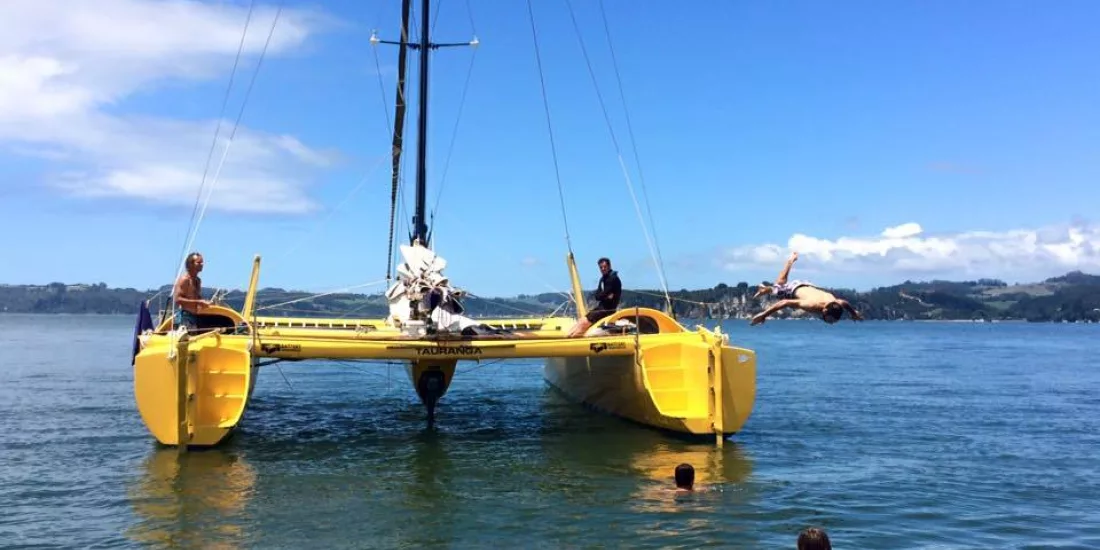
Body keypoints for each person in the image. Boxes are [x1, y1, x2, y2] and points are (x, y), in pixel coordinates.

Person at [750, 251, 863, 326]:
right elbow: (785, 302)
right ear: (824, 310)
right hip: (794, 289)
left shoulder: (837, 303)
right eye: (829, 320)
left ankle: (765, 289)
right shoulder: (811, 305)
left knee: (777, 288)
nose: (831, 323)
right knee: (779, 286)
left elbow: (845, 303)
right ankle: (790, 261)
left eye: (833, 321)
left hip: (809, 286)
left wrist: (854, 313)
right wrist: (763, 315)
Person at [567, 257, 622, 337]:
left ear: (609, 266)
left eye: (605, 267)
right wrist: (604, 296)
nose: (603, 269)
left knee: (583, 323)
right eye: (601, 267)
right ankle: (567, 336)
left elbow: (602, 294)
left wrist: (603, 295)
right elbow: (598, 296)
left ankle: (572, 339)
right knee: (581, 320)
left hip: (608, 310)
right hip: (601, 308)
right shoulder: (603, 279)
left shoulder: (613, 278)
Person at [173, 252, 212, 331]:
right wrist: (199, 302)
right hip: (184, 317)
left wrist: (205, 303)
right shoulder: (184, 280)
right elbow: (177, 299)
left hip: (194, 317)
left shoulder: (198, 281)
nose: (202, 264)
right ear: (190, 264)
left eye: (202, 262)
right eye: (199, 262)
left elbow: (196, 297)